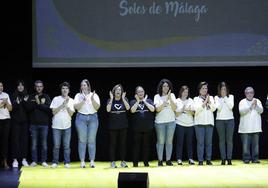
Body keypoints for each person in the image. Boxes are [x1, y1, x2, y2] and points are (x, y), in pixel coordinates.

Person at [74, 79, 100, 168]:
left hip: (93, 118)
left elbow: (97, 107)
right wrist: (83, 100)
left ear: (88, 86)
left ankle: (92, 161)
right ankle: (82, 161)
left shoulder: (94, 95)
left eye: (85, 85)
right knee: (82, 140)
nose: (83, 87)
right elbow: (76, 107)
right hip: (81, 118)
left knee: (92, 140)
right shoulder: (78, 95)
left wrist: (92, 99)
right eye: (82, 85)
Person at [50, 82, 75, 168]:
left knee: (67, 146)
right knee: (56, 146)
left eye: (66, 88)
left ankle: (67, 162)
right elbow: (53, 112)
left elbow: (71, 114)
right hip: (56, 126)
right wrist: (62, 105)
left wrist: (67, 106)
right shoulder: (56, 99)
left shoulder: (71, 100)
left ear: (69, 90)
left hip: (67, 126)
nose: (65, 90)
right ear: (61, 90)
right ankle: (55, 162)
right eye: (63, 88)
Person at [27, 80, 51, 167]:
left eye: (40, 86)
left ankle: (43, 160)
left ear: (43, 87)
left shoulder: (46, 96)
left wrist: (39, 104)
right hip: (33, 124)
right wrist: (36, 101)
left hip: (44, 124)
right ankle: (34, 160)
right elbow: (28, 108)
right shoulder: (31, 96)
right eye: (37, 86)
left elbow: (49, 109)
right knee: (34, 144)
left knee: (44, 144)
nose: (39, 88)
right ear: (35, 87)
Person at [130, 86, 155, 167]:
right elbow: (132, 110)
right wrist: (138, 101)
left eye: (142, 91)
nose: (141, 93)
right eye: (139, 92)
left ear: (144, 93)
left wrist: (144, 101)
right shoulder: (133, 101)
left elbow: (153, 109)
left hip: (147, 128)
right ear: (136, 94)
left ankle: (145, 162)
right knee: (136, 146)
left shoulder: (149, 100)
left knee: (146, 146)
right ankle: (135, 163)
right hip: (137, 128)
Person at [154, 79, 177, 166]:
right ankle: (160, 160)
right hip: (160, 122)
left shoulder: (173, 95)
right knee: (160, 141)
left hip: (171, 122)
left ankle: (168, 160)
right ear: (161, 87)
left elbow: (175, 108)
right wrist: (165, 100)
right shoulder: (157, 96)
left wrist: (170, 98)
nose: (166, 88)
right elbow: (158, 109)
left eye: (167, 86)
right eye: (164, 86)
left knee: (169, 141)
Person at [106, 84, 130, 168]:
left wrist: (123, 98)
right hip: (113, 126)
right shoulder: (110, 99)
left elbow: (128, 108)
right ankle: (112, 162)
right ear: (114, 91)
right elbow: (108, 110)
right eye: (116, 90)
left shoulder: (125, 99)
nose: (118, 91)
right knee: (113, 144)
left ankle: (123, 162)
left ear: (121, 91)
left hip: (123, 125)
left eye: (120, 90)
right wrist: (112, 99)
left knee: (123, 144)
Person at [238, 87, 263, 164]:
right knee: (246, 146)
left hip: (256, 127)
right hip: (245, 128)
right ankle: (246, 159)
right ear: (245, 94)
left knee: (255, 146)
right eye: (248, 93)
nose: (250, 94)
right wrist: (250, 107)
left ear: (253, 93)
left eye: (251, 92)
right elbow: (241, 112)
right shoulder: (242, 101)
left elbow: (261, 111)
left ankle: (255, 159)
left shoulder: (257, 101)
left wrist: (256, 105)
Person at [194, 82, 216, 165]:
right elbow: (197, 109)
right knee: (200, 142)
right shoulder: (196, 99)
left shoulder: (211, 98)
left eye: (206, 88)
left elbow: (214, 109)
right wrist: (205, 101)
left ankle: (208, 159)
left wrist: (209, 102)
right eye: (203, 88)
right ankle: (200, 160)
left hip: (209, 123)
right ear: (199, 90)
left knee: (209, 142)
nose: (204, 90)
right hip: (199, 123)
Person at [214, 82, 235, 165]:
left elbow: (231, 106)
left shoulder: (231, 96)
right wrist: (222, 99)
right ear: (219, 90)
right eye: (222, 89)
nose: (223, 90)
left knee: (229, 140)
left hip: (230, 120)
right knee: (221, 140)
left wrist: (225, 97)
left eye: (225, 89)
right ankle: (223, 159)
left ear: (227, 90)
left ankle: (229, 159)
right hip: (220, 120)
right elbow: (218, 108)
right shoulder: (216, 97)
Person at [11, 80, 30, 168]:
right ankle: (15, 159)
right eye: (19, 85)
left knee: (24, 140)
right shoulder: (13, 96)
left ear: (24, 86)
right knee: (15, 140)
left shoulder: (27, 95)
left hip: (25, 121)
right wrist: (17, 103)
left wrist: (25, 102)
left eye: (22, 85)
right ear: (17, 87)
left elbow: (29, 109)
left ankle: (24, 159)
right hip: (15, 121)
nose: (20, 87)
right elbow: (11, 109)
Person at [175, 86, 195, 165]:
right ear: (181, 92)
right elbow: (176, 113)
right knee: (180, 142)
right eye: (184, 91)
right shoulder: (177, 101)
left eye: (186, 92)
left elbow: (194, 113)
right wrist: (182, 109)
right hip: (180, 123)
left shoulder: (191, 100)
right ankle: (179, 159)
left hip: (190, 124)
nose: (185, 93)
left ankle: (190, 158)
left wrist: (190, 111)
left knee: (190, 143)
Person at [0, 81, 12, 169]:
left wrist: (6, 102)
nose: (0, 87)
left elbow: (10, 108)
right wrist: (2, 104)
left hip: (6, 120)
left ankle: (5, 161)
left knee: (5, 142)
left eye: (1, 86)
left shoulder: (6, 95)